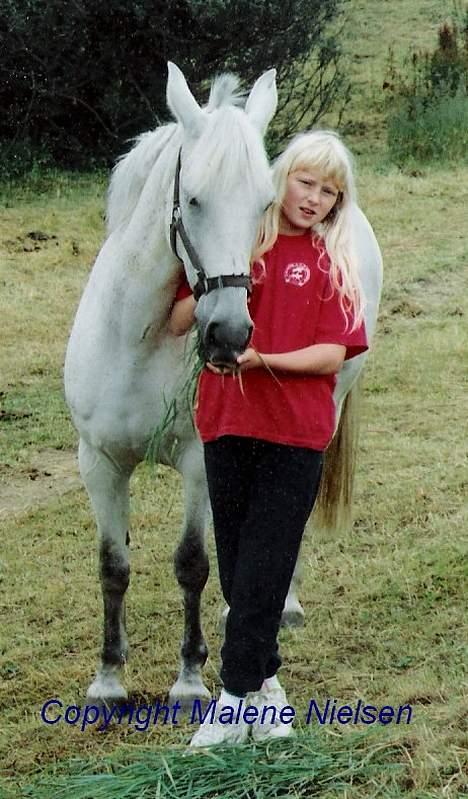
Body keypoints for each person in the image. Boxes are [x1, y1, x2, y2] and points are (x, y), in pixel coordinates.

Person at [169, 130, 368, 747]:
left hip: (296, 435)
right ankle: (268, 691)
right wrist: (205, 298)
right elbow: (179, 317)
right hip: (226, 424)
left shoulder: (334, 259)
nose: (313, 199)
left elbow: (335, 352)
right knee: (237, 566)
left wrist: (261, 360)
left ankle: (230, 700)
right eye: (306, 183)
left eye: (329, 193)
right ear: (280, 178)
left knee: (266, 566)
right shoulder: (237, 246)